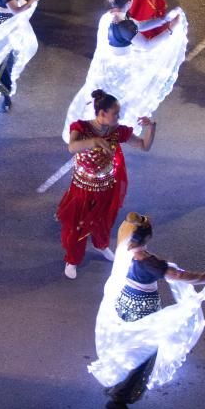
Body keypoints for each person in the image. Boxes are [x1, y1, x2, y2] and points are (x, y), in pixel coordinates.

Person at [89, 213, 205, 409]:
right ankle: (119, 396)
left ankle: (116, 381)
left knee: (127, 346)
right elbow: (178, 276)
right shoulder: (148, 262)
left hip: (124, 304)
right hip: (144, 311)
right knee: (144, 353)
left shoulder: (124, 251)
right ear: (147, 237)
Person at [63, 0, 186, 142]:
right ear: (130, 2)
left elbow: (138, 25)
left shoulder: (108, 16)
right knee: (123, 100)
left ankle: (93, 131)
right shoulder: (123, 25)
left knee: (102, 102)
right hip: (120, 71)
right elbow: (147, 45)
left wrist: (163, 20)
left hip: (106, 66)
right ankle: (107, 134)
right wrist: (170, 30)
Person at [58, 91, 157, 279]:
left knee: (104, 221)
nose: (118, 118)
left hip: (107, 187)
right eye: (115, 114)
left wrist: (151, 128)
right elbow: (72, 147)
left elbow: (144, 146)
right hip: (83, 188)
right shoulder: (81, 128)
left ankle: (101, 245)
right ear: (102, 113)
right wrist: (94, 141)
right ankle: (72, 259)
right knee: (77, 225)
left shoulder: (117, 131)